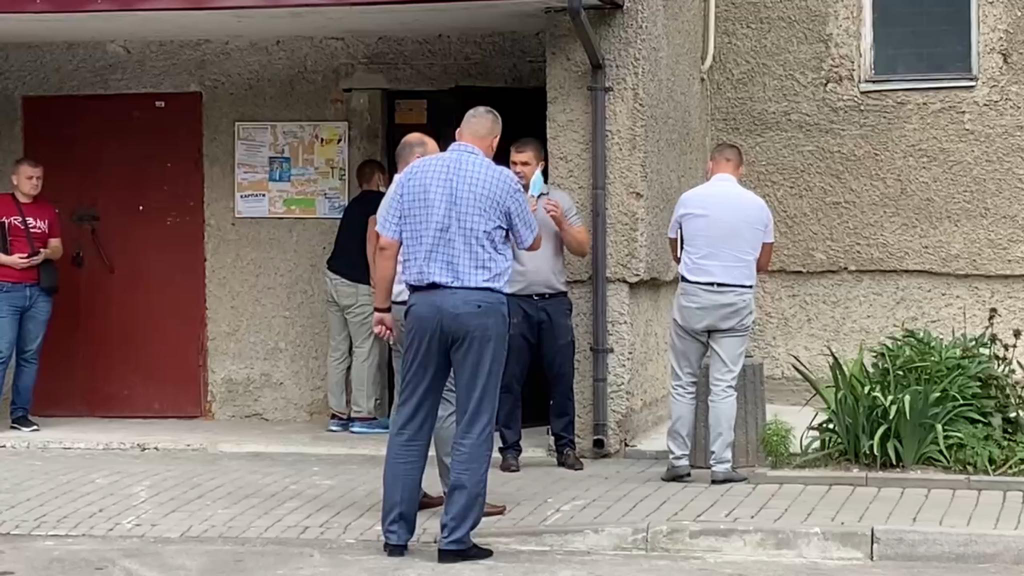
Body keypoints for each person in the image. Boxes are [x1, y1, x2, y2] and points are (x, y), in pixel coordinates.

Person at [374, 107, 540, 564]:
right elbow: (530, 242)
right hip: (482, 308)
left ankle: (395, 535)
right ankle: (455, 539)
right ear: (495, 143)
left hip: (424, 305)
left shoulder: (414, 174)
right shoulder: (502, 180)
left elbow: (386, 243)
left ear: (457, 133)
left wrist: (382, 306)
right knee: (473, 419)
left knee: (411, 418)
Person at [376, 133, 507, 518]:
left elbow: (380, 245)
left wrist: (379, 303)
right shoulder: (417, 184)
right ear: (419, 160)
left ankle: (403, 500)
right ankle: (459, 495)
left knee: (408, 406)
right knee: (448, 403)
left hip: (405, 305)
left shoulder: (399, 191)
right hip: (421, 303)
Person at [663, 143, 774, 485]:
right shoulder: (758, 206)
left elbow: (675, 246)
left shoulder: (688, 199)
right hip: (736, 298)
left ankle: (678, 461)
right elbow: (763, 262)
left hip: (694, 296)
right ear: (741, 169)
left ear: (709, 165)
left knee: (683, 381)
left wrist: (694, 264)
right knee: (724, 386)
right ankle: (721, 466)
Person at [497, 138, 589, 474]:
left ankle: (565, 446)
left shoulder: (559, 200)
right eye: (513, 163)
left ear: (541, 166)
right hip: (514, 300)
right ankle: (510, 450)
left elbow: (582, 248)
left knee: (561, 376)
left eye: (525, 164)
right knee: (510, 379)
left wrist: (561, 223)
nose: (518, 170)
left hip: (553, 300)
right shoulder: (502, 198)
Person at [324, 159, 390, 434]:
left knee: (338, 349)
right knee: (365, 347)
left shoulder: (352, 205)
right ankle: (363, 415)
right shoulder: (378, 203)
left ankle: (338, 413)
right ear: (379, 178)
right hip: (357, 285)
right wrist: (377, 283)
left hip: (333, 278)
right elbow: (372, 242)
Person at [0, 158, 63, 432]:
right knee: (2, 351)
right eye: (29, 178)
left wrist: (45, 254)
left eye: (39, 178)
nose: (35, 183)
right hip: (5, 287)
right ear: (15, 179)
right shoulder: (1, 204)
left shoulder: (47, 210)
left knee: (29, 355)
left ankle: (20, 414)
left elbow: (57, 248)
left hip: (38, 291)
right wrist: (7, 261)